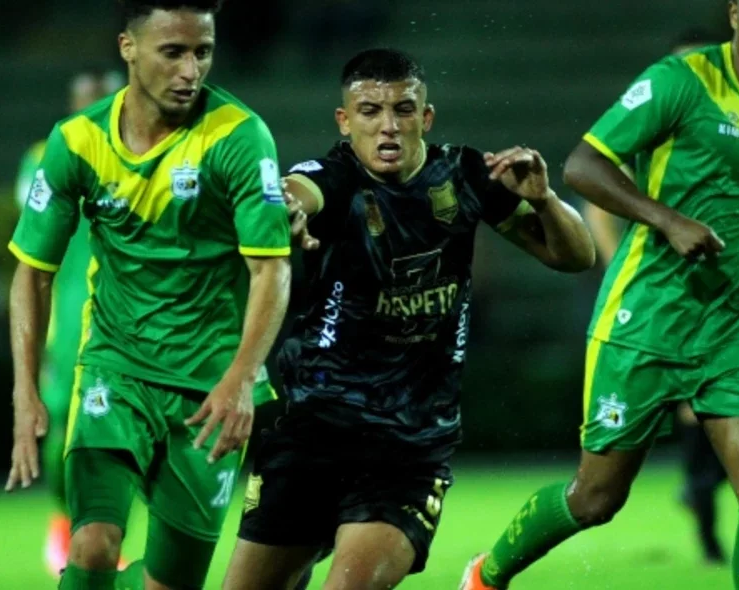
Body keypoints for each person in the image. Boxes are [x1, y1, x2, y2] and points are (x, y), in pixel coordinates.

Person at [462, 2, 739, 589]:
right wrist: (667, 220)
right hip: (647, 317)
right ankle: (486, 575)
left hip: (735, 322)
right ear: (734, 12)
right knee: (596, 498)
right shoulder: (680, 81)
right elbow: (585, 166)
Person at [220, 48, 596, 590]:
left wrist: (544, 201)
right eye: (370, 112)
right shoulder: (333, 175)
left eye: (403, 109)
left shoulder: (465, 175)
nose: (388, 126)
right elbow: (295, 194)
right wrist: (283, 209)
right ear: (345, 122)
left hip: (410, 443)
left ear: (427, 117)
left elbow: (574, 256)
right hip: (315, 429)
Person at [3, 1, 294, 588]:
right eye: (174, 52)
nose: (191, 70)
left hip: (208, 388)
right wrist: (24, 390)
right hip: (116, 368)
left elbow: (272, 273)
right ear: (127, 48)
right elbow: (31, 273)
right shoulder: (77, 142)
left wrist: (241, 380)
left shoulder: (238, 137)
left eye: (203, 52)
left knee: (170, 582)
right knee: (90, 545)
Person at [581, 26, 732, 567]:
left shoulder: (736, 130)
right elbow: (595, 195)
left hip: (715, 295)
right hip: (652, 295)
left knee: (711, 412)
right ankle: (704, 516)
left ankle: (705, 516)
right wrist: (615, 266)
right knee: (602, 487)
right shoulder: (651, 123)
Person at [13, 67, 126, 578]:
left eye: (104, 99)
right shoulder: (45, 158)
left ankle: (104, 534)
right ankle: (65, 524)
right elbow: (31, 248)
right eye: (86, 99)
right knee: (62, 432)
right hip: (67, 321)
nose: (95, 109)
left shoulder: (139, 155)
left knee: (124, 436)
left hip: (126, 318)